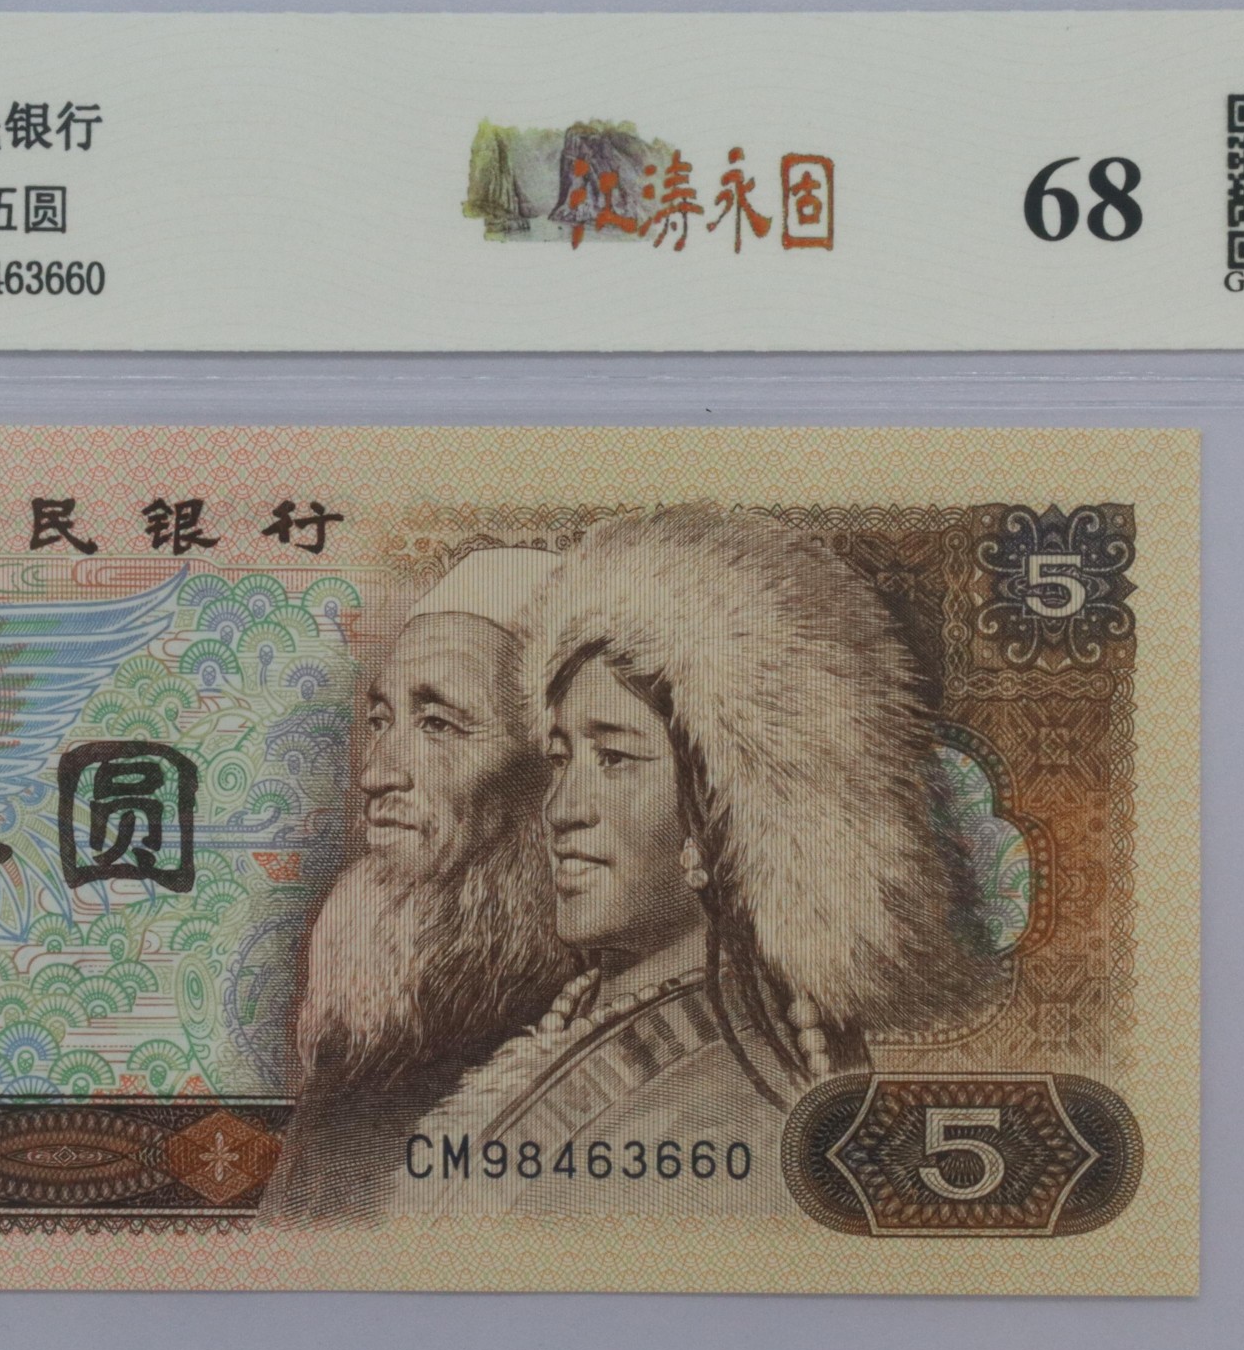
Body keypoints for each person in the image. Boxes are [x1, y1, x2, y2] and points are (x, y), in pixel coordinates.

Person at [393, 504, 995, 1216]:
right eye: (559, 758)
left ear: (726, 808)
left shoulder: (736, 1098)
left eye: (615, 758)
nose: (561, 808)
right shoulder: (591, 1016)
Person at [262, 547, 572, 1223]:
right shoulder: (369, 1037)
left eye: (437, 723)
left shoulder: (574, 1039)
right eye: (381, 720)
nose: (376, 774)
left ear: (549, 772)